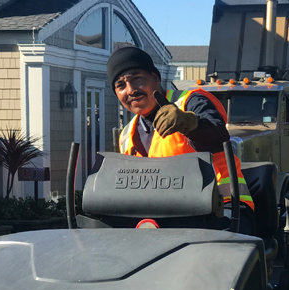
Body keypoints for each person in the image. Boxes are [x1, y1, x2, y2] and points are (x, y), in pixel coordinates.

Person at [108, 46, 255, 233]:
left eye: (137, 79)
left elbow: (217, 135)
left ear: (155, 78)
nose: (131, 90)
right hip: (169, 217)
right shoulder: (126, 136)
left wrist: (189, 123)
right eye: (121, 86)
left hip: (225, 208)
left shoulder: (190, 102)